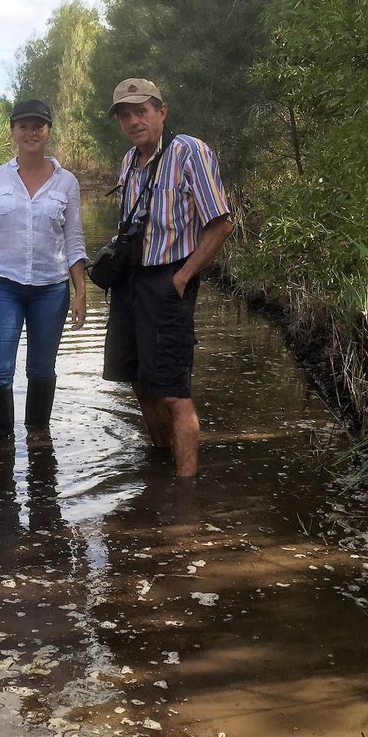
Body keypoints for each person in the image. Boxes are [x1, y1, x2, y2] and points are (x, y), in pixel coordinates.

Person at [101, 78, 233, 477]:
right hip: (131, 283)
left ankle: (184, 494)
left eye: (141, 111)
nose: (133, 120)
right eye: (125, 114)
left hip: (168, 280)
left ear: (162, 111)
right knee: (139, 382)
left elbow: (222, 224)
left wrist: (183, 277)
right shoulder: (128, 162)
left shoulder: (189, 152)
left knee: (174, 393)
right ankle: (160, 463)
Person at [0, 99, 87, 439]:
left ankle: (38, 435)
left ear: (47, 131)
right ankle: (1, 440)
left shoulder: (67, 183)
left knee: (40, 370)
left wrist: (80, 292)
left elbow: (75, 240)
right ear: (13, 132)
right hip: (4, 286)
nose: (31, 132)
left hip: (51, 289)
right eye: (23, 126)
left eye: (38, 126)